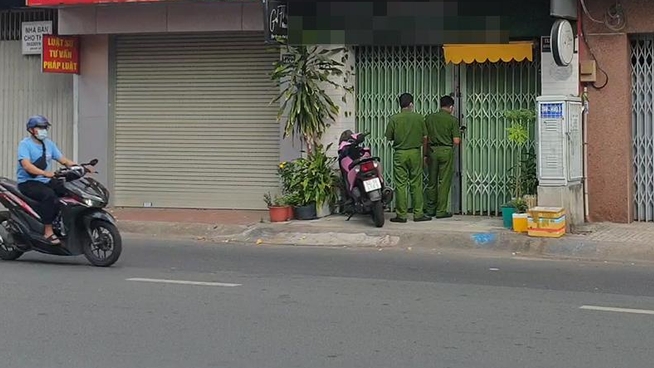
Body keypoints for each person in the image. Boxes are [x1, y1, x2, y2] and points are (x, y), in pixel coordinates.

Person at [17, 115, 77, 245]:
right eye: (40, 127)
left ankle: (63, 222)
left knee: (69, 191)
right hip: (28, 183)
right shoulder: (25, 145)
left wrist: (79, 167)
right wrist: (45, 173)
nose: (44, 130)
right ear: (32, 130)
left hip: (45, 180)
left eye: (45, 127)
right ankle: (48, 231)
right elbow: (26, 165)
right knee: (49, 196)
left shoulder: (49, 144)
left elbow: (64, 160)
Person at [385, 93, 431, 223]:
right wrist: (425, 153)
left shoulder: (394, 118)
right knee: (416, 183)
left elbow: (389, 137)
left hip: (400, 153)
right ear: (411, 104)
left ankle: (401, 215)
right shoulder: (419, 118)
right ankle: (418, 214)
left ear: (400, 104)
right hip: (415, 153)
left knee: (400, 184)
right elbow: (425, 137)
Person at [424, 95, 461, 218]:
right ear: (451, 107)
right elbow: (456, 141)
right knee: (444, 182)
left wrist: (425, 154)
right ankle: (441, 211)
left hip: (432, 150)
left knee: (431, 181)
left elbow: (425, 138)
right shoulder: (453, 120)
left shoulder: (429, 118)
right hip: (446, 151)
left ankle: (430, 209)